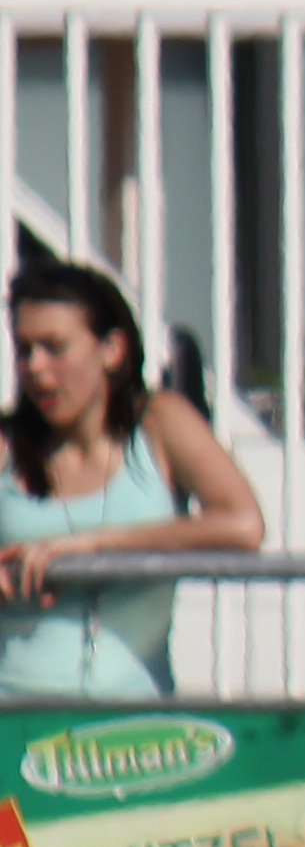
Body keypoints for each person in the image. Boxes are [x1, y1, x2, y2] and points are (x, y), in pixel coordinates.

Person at [0, 258, 262, 697]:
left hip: (135, 718)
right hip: (16, 713)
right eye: (24, 349)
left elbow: (243, 524)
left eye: (55, 347)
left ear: (112, 349)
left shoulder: (160, 421)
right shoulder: (7, 441)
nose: (36, 368)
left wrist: (91, 546)